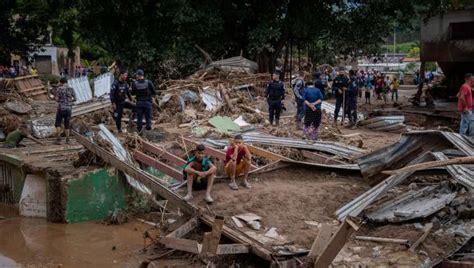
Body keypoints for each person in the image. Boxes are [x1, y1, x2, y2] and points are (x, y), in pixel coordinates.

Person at [54, 77, 76, 144]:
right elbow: (75, 98)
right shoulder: (71, 89)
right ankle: (68, 140)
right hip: (68, 109)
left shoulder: (59, 89)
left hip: (61, 108)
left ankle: (58, 140)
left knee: (58, 124)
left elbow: (56, 99)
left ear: (61, 82)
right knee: (67, 124)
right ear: (66, 82)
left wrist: (60, 100)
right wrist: (69, 101)